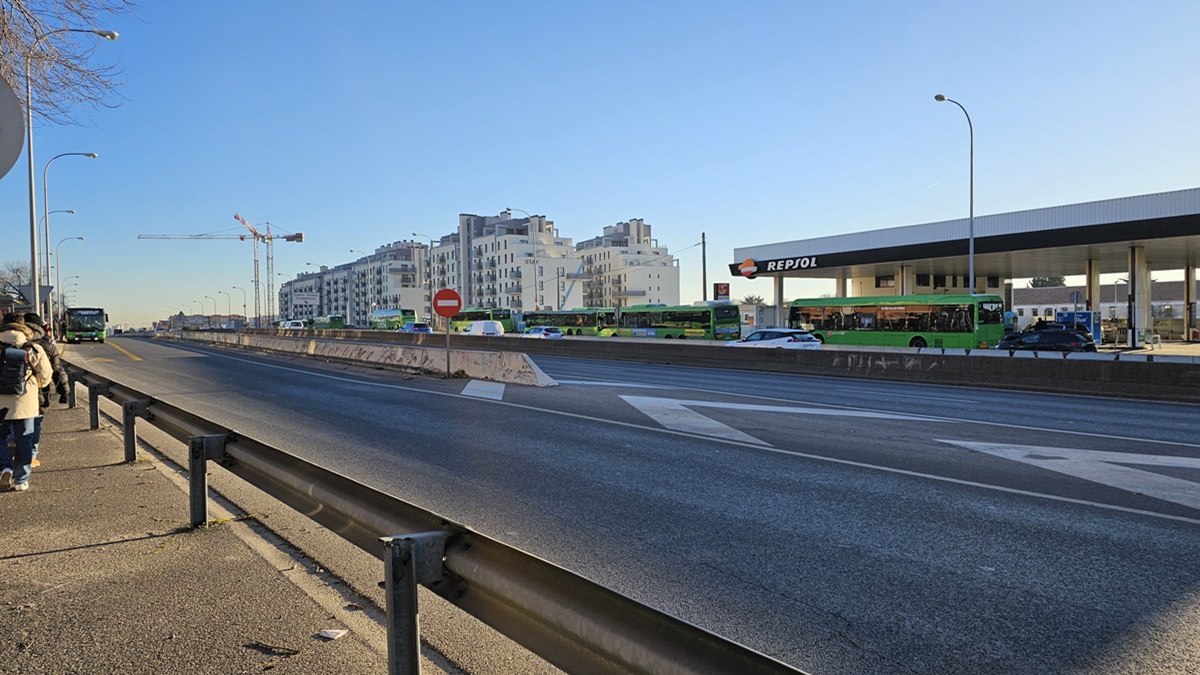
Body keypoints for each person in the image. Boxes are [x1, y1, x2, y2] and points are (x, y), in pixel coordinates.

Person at [0, 317, 53, 492]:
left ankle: (4, 467)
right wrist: (36, 385)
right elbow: (46, 375)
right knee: (24, 438)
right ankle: (21, 479)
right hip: (25, 402)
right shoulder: (33, 348)